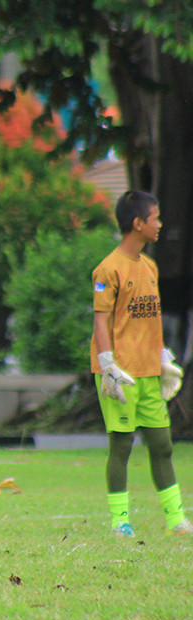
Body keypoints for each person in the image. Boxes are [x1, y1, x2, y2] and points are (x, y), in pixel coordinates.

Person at [91, 190, 188, 537]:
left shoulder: (150, 267)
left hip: (148, 373)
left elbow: (150, 318)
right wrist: (107, 365)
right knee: (121, 445)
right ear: (138, 224)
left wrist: (162, 358)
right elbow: (101, 321)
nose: (160, 224)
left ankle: (177, 520)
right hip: (119, 374)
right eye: (155, 218)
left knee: (162, 445)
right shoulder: (107, 269)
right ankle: (120, 522)